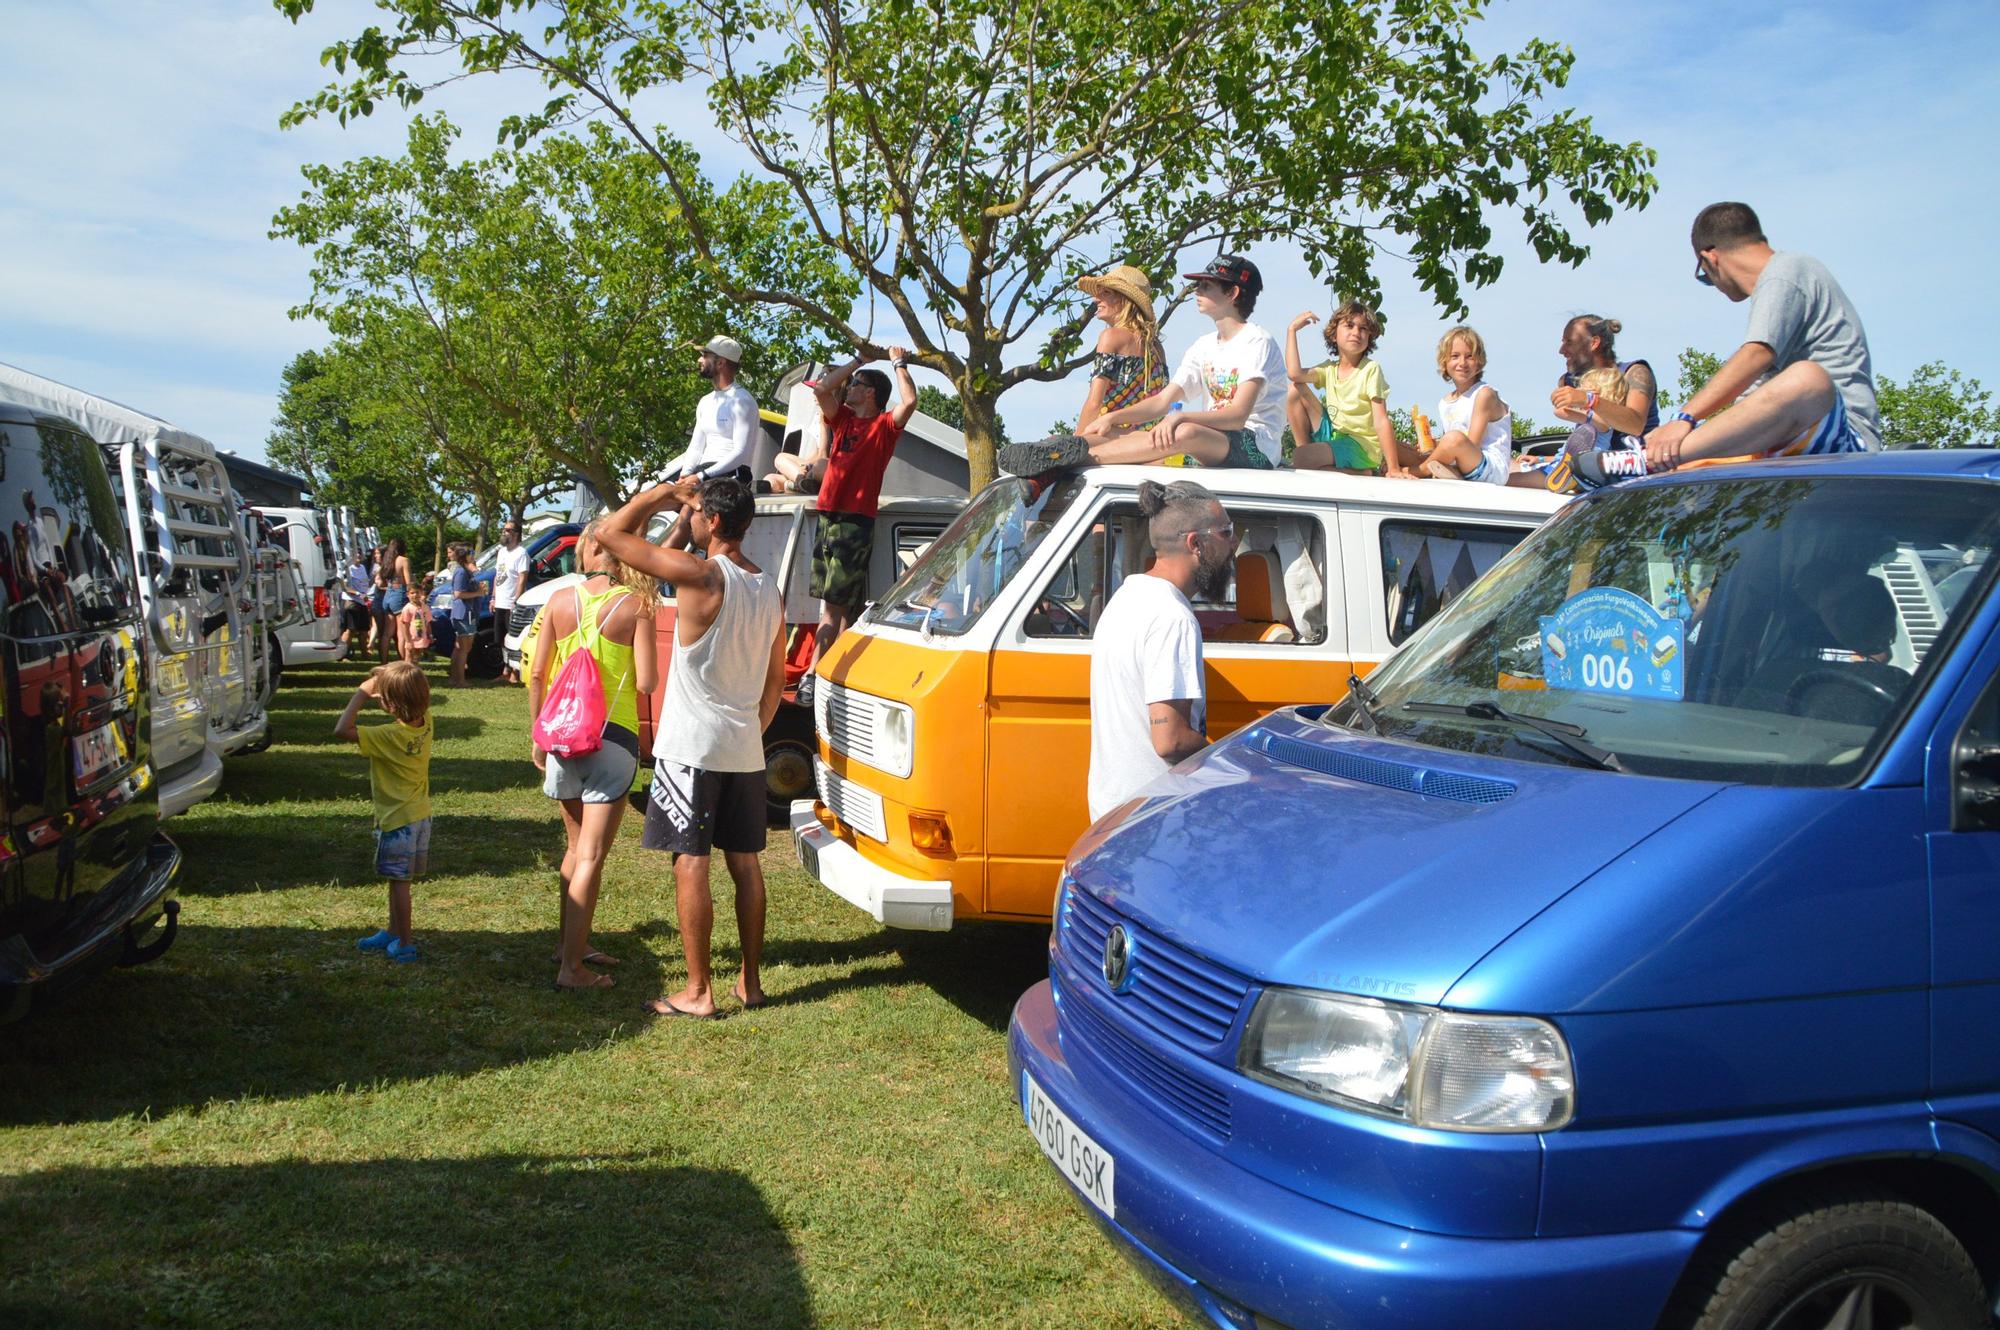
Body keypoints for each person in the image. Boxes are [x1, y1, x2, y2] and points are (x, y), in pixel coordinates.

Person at [595, 474, 786, 1019]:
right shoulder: (768, 587)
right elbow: (773, 682)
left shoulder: (701, 575)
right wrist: (750, 730)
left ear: (715, 522)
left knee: (691, 863)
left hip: (693, 749)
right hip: (744, 747)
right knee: (745, 865)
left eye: (697, 512)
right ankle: (749, 983)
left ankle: (698, 991)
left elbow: (609, 535)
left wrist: (658, 495)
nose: (692, 518)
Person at [1626, 202, 1878, 480]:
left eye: (1706, 279)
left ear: (1709, 259)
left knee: (1808, 380)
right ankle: (1655, 461)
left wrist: (1684, 419)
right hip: (1789, 446)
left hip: (1846, 442)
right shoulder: (1781, 292)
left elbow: (1756, 354)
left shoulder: (1787, 270)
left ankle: (1645, 460)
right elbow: (1756, 398)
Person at [527, 520, 660, 992]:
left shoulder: (560, 601)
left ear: (587, 552)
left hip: (563, 738)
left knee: (573, 849)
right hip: (611, 737)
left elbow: (538, 673)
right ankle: (572, 970)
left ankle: (572, 946)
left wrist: (536, 736)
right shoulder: (637, 605)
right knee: (592, 856)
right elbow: (646, 681)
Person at [1002, 255, 1288, 474]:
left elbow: (1237, 417)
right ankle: (1058, 454)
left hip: (1254, 446)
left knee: (1181, 431)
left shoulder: (1257, 341)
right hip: (1211, 441)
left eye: (1205, 285)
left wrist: (1181, 417)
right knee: (1126, 434)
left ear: (1232, 294)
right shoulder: (1202, 345)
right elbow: (1163, 401)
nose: (1196, 291)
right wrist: (1111, 418)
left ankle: (1072, 462)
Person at [1088, 479, 1234, 822]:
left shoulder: (1127, 597)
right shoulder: (1173, 618)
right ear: (1195, 543)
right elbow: (1170, 741)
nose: (1234, 542)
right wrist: (1232, 762)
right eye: (1226, 531)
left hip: (1115, 808)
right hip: (1152, 817)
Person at [795, 346, 919, 707]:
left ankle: (812, 675)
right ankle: (834, 674)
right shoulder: (844, 420)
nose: (848, 387)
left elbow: (909, 400)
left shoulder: (883, 426)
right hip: (829, 517)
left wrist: (898, 363)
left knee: (832, 610)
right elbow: (820, 390)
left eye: (856, 384)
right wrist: (859, 360)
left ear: (870, 394)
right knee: (840, 609)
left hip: (853, 522)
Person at [335, 662, 433, 964]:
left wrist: (362, 692)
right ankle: (392, 931)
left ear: (388, 704)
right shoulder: (427, 720)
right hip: (419, 817)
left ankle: (405, 943)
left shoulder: (387, 736)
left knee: (400, 885)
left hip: (397, 822)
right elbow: (410, 682)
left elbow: (342, 729)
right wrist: (387, 677)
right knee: (396, 880)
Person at [1286, 299, 1399, 475]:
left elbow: (1381, 420)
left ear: (1369, 338)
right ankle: (1309, 458)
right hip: (1334, 434)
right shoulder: (1329, 369)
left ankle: (1363, 473)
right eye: (1349, 325)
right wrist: (1292, 330)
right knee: (1294, 389)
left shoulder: (1370, 370)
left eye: (1363, 329)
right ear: (1333, 335)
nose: (1356, 332)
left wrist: (1393, 468)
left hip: (1360, 445)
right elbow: (1294, 374)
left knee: (1301, 457)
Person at [1074, 265, 1169, 437]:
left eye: (1106, 293)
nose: (1096, 299)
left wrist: (1075, 444)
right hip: (1147, 442)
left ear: (1125, 300)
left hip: (1111, 436)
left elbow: (1094, 403)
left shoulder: (1110, 337)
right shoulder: (1156, 347)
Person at [1417, 326, 1513, 483]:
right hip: (1461, 460)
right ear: (1444, 361)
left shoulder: (1485, 394)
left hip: (1488, 468)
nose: (1462, 363)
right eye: (1455, 356)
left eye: (1470, 356)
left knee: (1453, 439)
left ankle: (1418, 471)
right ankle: (1400, 467)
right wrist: (1433, 445)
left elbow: (1470, 444)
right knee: (1403, 447)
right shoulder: (1445, 403)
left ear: (1480, 361)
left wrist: (1443, 446)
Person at [664, 335, 761, 485]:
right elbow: (696, 447)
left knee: (690, 508)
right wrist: (685, 475)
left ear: (721, 362)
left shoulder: (742, 401)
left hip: (732, 474)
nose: (699, 360)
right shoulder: (705, 401)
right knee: (649, 497)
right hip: (703, 472)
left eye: (704, 356)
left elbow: (740, 453)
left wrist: (700, 476)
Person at [1550, 315, 1658, 437]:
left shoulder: (1635, 372)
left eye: (1569, 342)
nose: (1561, 350)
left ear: (1594, 343)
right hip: (1594, 455)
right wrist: (1541, 457)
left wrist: (1589, 400)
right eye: (1563, 342)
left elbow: (1636, 426)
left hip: (1638, 454)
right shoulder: (1568, 381)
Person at [490, 519, 530, 684]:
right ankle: (505, 671)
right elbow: (497, 577)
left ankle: (515, 673)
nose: (504, 533)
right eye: (503, 529)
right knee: (501, 639)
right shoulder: (502, 552)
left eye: (507, 530)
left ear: (516, 534)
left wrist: (516, 602)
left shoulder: (521, 553)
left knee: (513, 639)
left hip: (511, 604)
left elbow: (522, 579)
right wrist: (493, 598)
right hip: (499, 602)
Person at [445, 542, 478, 686]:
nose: (473, 556)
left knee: (460, 647)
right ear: (465, 556)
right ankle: (460, 680)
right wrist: (478, 593)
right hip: (463, 613)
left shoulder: (465, 570)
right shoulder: (461, 572)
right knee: (464, 648)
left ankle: (455, 678)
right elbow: (458, 593)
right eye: (471, 553)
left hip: (466, 612)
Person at [377, 539, 413, 664]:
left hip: (388, 594)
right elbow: (408, 582)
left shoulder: (387, 561)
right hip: (400, 595)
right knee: (401, 633)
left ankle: (383, 662)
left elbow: (381, 583)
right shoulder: (403, 560)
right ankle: (404, 663)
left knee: (386, 633)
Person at [341, 549, 373, 651]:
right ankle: (343, 654)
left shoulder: (363, 567)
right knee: (350, 630)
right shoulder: (348, 569)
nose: (358, 555)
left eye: (360, 552)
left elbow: (365, 584)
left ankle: (365, 654)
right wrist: (359, 593)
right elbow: (344, 587)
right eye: (355, 553)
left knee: (364, 630)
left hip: (362, 602)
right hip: (351, 602)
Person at [397, 575, 434, 663]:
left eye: (417, 592)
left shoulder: (424, 607)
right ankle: (407, 675)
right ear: (408, 595)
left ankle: (415, 674)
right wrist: (408, 641)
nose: (415, 595)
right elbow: (405, 625)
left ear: (421, 593)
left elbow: (428, 622)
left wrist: (430, 635)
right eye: (412, 593)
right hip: (411, 637)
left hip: (421, 637)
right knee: (409, 657)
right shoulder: (407, 608)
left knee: (417, 658)